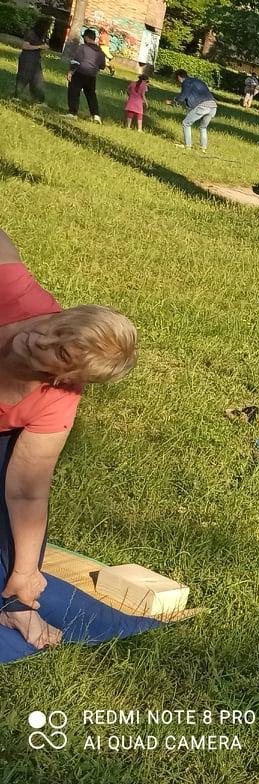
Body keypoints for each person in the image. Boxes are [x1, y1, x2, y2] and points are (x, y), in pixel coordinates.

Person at [0, 228, 139, 650]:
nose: (40, 338)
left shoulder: (54, 400)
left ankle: (16, 604)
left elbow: (26, 493)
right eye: (57, 327)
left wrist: (25, 569)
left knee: (13, 511)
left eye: (58, 353)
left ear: (66, 376)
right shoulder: (13, 292)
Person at [165, 69, 219, 152]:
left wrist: (173, 101)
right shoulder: (197, 81)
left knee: (186, 123)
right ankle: (203, 149)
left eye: (177, 79)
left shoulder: (186, 82)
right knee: (203, 127)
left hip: (203, 106)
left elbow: (183, 96)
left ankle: (188, 146)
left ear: (179, 77)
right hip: (213, 106)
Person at [65, 28, 107, 121]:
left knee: (74, 92)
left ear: (87, 37)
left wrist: (70, 72)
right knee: (91, 95)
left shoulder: (83, 47)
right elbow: (102, 66)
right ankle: (95, 115)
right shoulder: (100, 51)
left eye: (84, 37)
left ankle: (73, 113)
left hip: (80, 73)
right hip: (92, 76)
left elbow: (76, 61)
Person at [12, 17, 51, 103]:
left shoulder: (42, 35)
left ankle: (39, 100)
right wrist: (40, 46)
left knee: (38, 79)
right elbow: (25, 46)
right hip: (27, 58)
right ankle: (16, 96)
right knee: (24, 76)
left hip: (36, 59)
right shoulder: (31, 33)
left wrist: (44, 47)